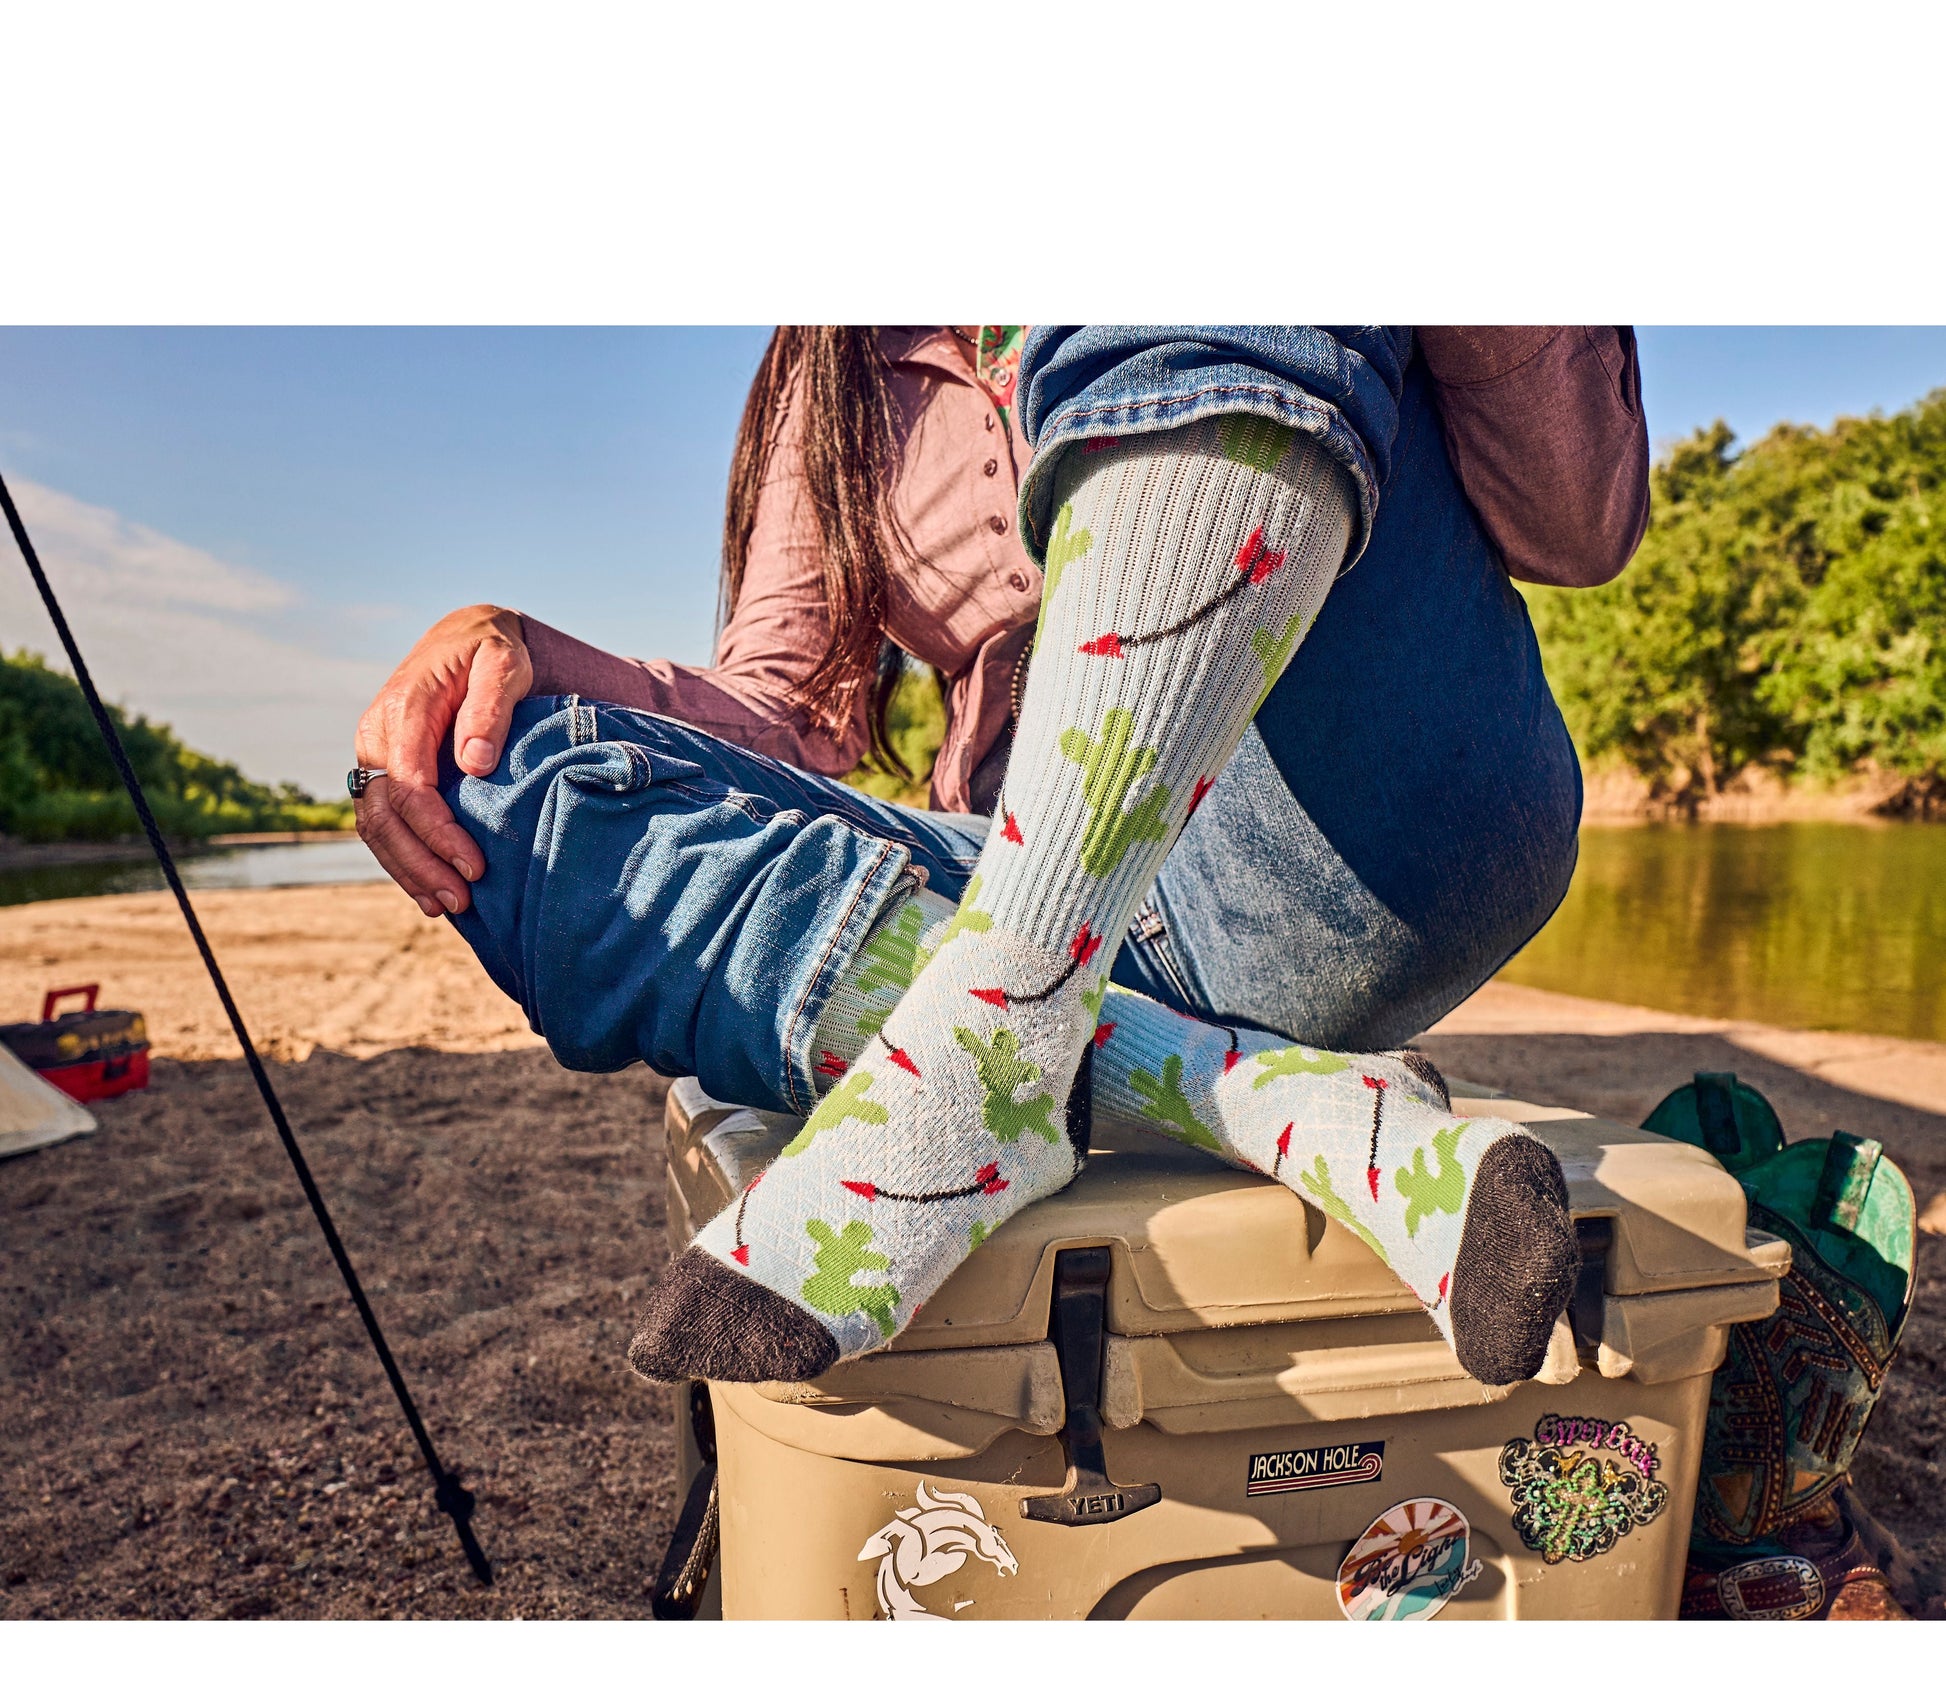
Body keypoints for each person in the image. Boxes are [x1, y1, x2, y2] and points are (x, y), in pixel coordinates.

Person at [354, 327, 1648, 1393]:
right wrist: (514, 644)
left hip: (1342, 828)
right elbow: (784, 716)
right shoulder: (832, 357)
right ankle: (1261, 1103)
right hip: (1031, 876)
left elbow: (1578, 529)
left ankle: (997, 1035)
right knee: (508, 785)